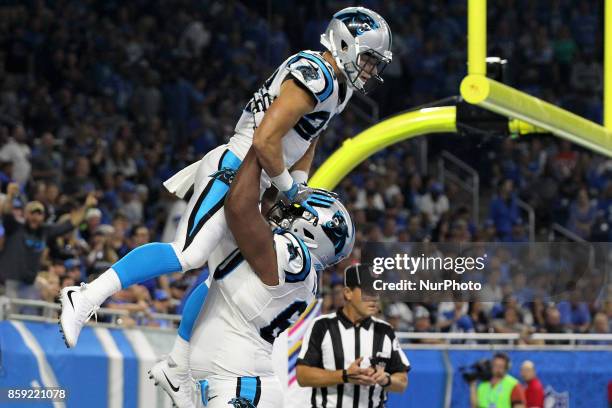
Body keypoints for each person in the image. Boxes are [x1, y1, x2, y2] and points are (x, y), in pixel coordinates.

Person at [59, 6, 393, 357]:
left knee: (223, 277)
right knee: (188, 253)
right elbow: (265, 139)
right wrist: (289, 189)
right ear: (344, 43)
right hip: (234, 167)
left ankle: (177, 364)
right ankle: (85, 296)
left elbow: (308, 135)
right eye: (369, 58)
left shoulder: (338, 88)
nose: (370, 69)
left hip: (256, 178)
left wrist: (298, 181)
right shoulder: (316, 75)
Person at [152, 148, 355, 407]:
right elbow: (266, 201)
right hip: (229, 381)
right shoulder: (295, 266)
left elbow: (240, 206)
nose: (282, 210)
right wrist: (304, 136)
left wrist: (257, 146)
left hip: (239, 386)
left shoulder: (292, 258)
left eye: (293, 211)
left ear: (311, 231)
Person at [296, 264, 409, 407]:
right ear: (348, 293)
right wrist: (344, 376)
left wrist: (385, 379)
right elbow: (302, 375)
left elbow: (402, 381)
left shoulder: (385, 331)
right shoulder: (322, 326)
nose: (374, 296)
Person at [0, 182, 96, 300]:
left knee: (39, 304)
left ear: (43, 216)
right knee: (10, 315)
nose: (35, 217)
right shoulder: (15, 227)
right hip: (10, 282)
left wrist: (86, 207)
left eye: (39, 213)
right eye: (32, 213)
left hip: (29, 283)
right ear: (25, 214)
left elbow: (70, 224)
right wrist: (10, 195)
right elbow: (6, 213)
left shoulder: (45, 231)